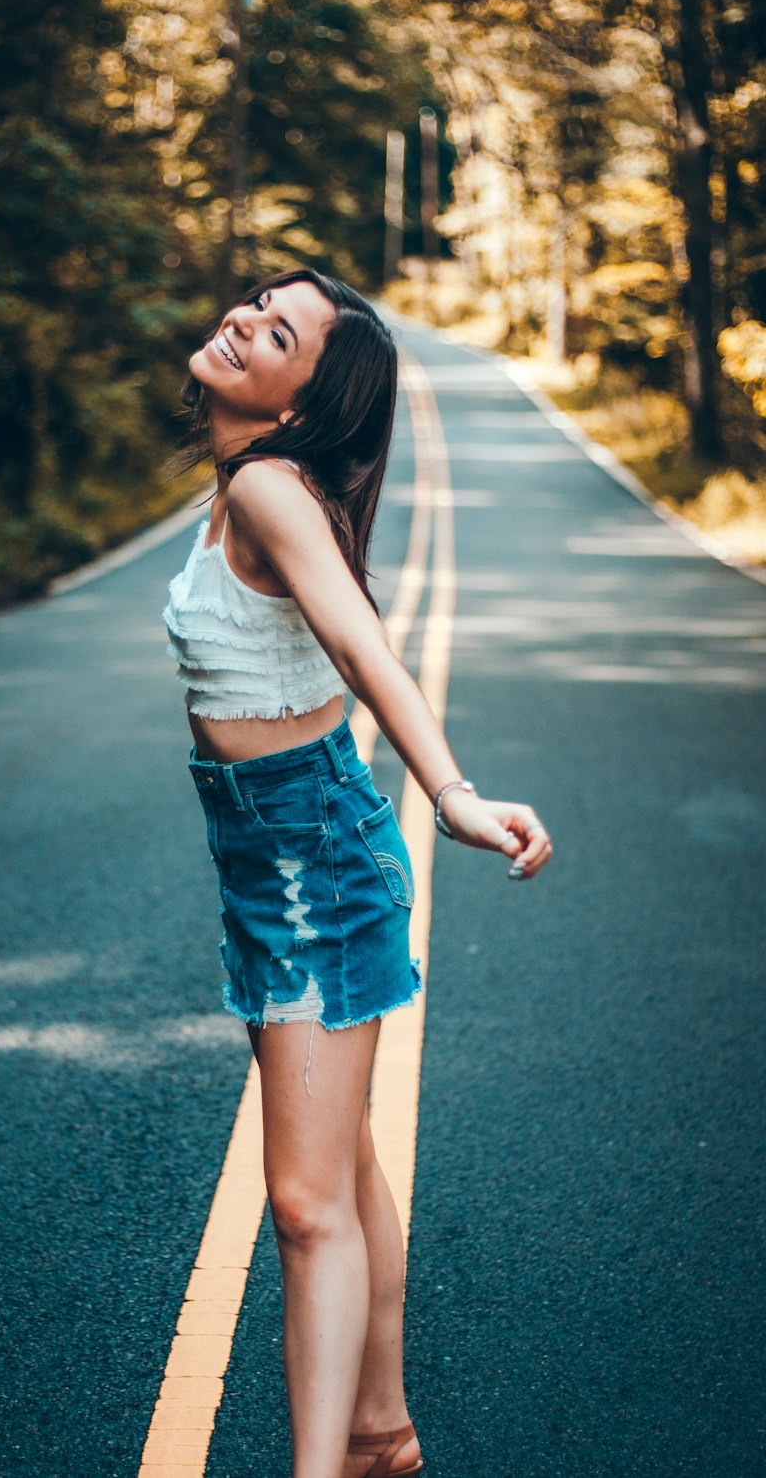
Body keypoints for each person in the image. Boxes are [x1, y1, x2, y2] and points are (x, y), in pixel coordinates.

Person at [163, 268, 553, 1478]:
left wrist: (449, 794)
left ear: (298, 407)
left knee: (303, 1205)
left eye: (274, 332)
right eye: (252, 305)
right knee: (342, 1168)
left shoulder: (273, 490)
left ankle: (328, 1463)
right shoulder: (248, 483)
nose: (239, 323)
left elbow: (362, 646)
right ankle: (380, 1431)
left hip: (310, 862)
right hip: (277, 854)